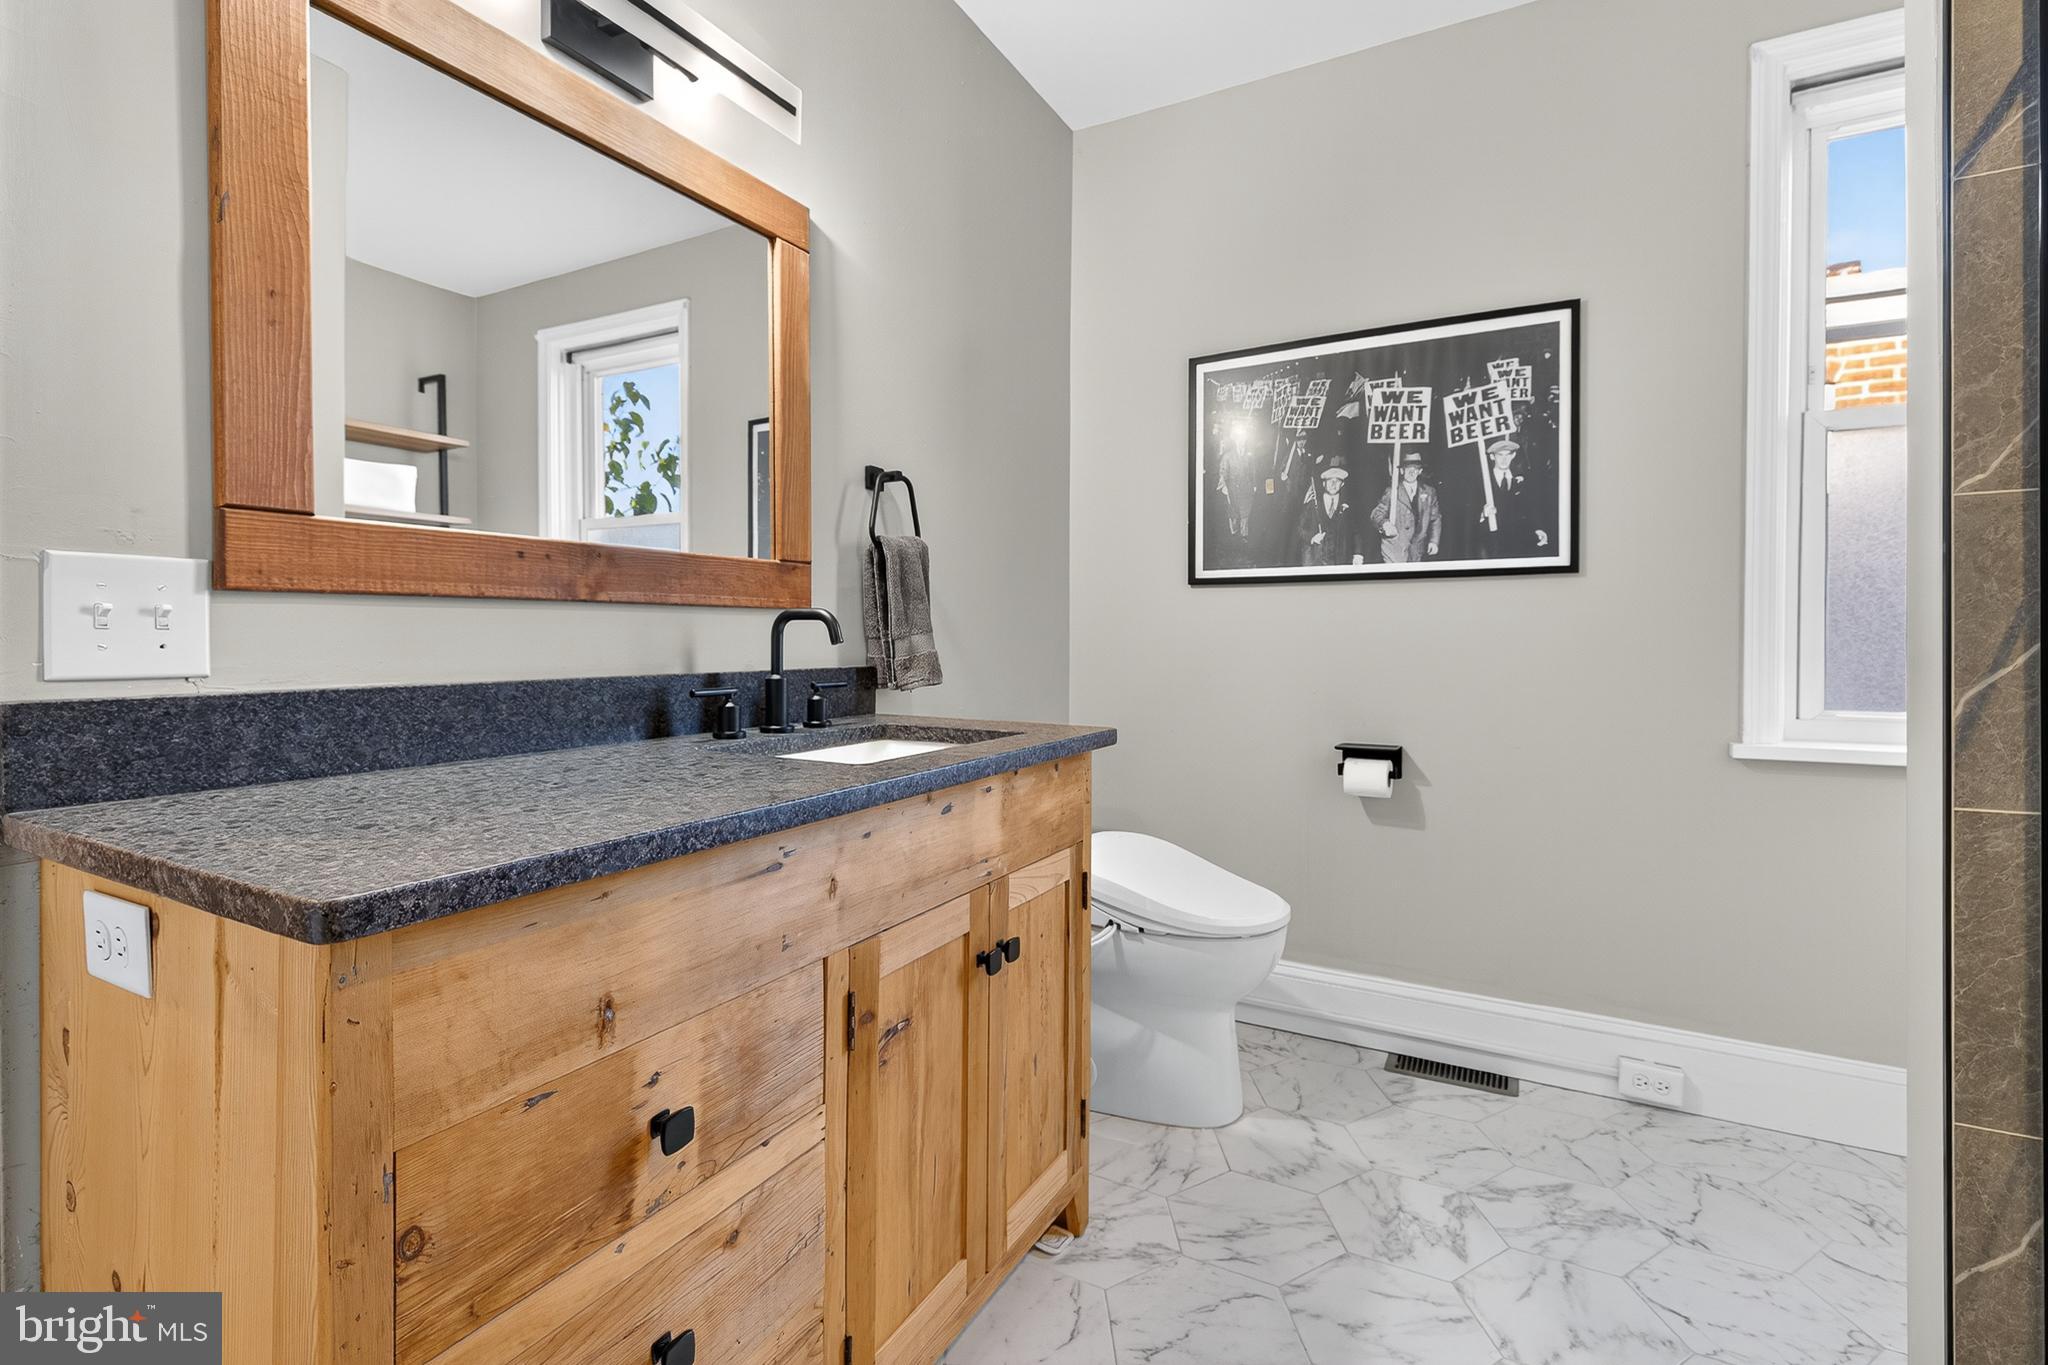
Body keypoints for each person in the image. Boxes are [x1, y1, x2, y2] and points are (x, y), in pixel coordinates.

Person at [1474, 437, 1550, 559]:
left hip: (1518, 543)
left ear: (1513, 455)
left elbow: (1530, 507)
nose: (1504, 459)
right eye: (1500, 455)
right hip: (1490, 543)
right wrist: (1483, 514)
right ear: (1492, 457)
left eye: (1508, 455)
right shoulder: (1481, 482)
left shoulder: (1521, 479)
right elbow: (1467, 514)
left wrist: (1538, 528)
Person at [1370, 451, 1441, 563]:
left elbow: (1435, 518)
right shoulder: (1392, 491)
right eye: (1408, 468)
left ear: (1420, 471)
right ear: (1402, 471)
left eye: (1415, 469)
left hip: (1417, 549)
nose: (1412, 472)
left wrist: (1434, 541)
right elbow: (1376, 514)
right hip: (1395, 547)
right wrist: (1385, 524)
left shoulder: (1429, 492)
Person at [1295, 460, 1364, 567]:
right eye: (1330, 481)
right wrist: (1312, 538)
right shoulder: (1313, 504)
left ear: (1342, 484)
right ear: (1324, 483)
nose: (1333, 484)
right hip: (1315, 559)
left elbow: (1356, 533)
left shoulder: (1347, 507)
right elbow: (1299, 528)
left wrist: (1358, 554)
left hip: (1340, 561)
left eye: (1337, 481)